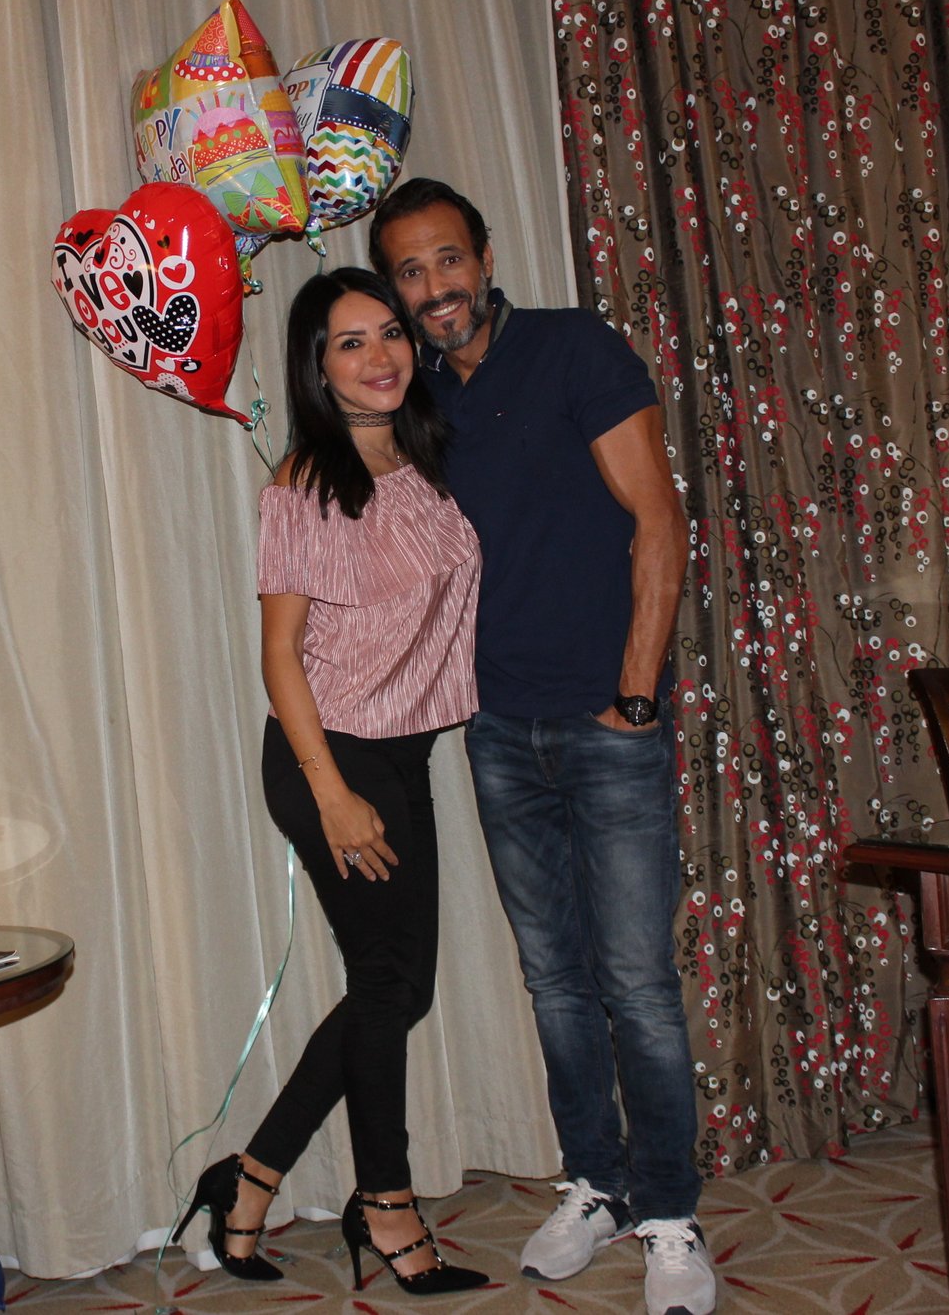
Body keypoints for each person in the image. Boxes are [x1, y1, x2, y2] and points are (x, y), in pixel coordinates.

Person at [371, 178, 715, 1315]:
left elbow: (658, 519)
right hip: (498, 728)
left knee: (635, 982)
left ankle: (668, 1211)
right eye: (410, 272)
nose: (434, 287)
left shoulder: (576, 350)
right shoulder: (419, 400)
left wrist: (634, 695)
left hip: (606, 721)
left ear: (482, 255)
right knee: (555, 980)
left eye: (446, 260)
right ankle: (596, 1184)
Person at [170, 268, 488, 1295]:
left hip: (400, 752)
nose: (379, 356)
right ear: (316, 367)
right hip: (330, 755)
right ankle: (386, 1204)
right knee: (390, 987)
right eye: (349, 343)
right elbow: (279, 656)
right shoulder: (302, 485)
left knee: (396, 988)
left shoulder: (423, 460)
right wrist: (332, 794)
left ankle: (248, 1178)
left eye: (388, 332)